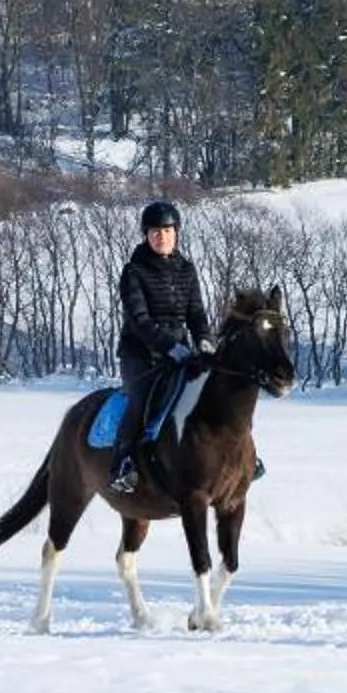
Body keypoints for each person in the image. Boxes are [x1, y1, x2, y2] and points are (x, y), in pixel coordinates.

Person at [111, 198, 210, 494]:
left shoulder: (187, 269)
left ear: (176, 232)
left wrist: (205, 342)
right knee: (140, 402)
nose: (161, 237)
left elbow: (196, 313)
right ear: (146, 235)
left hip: (180, 354)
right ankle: (123, 464)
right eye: (154, 232)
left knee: (217, 392)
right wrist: (169, 346)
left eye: (167, 231)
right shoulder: (134, 271)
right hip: (140, 355)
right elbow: (139, 320)